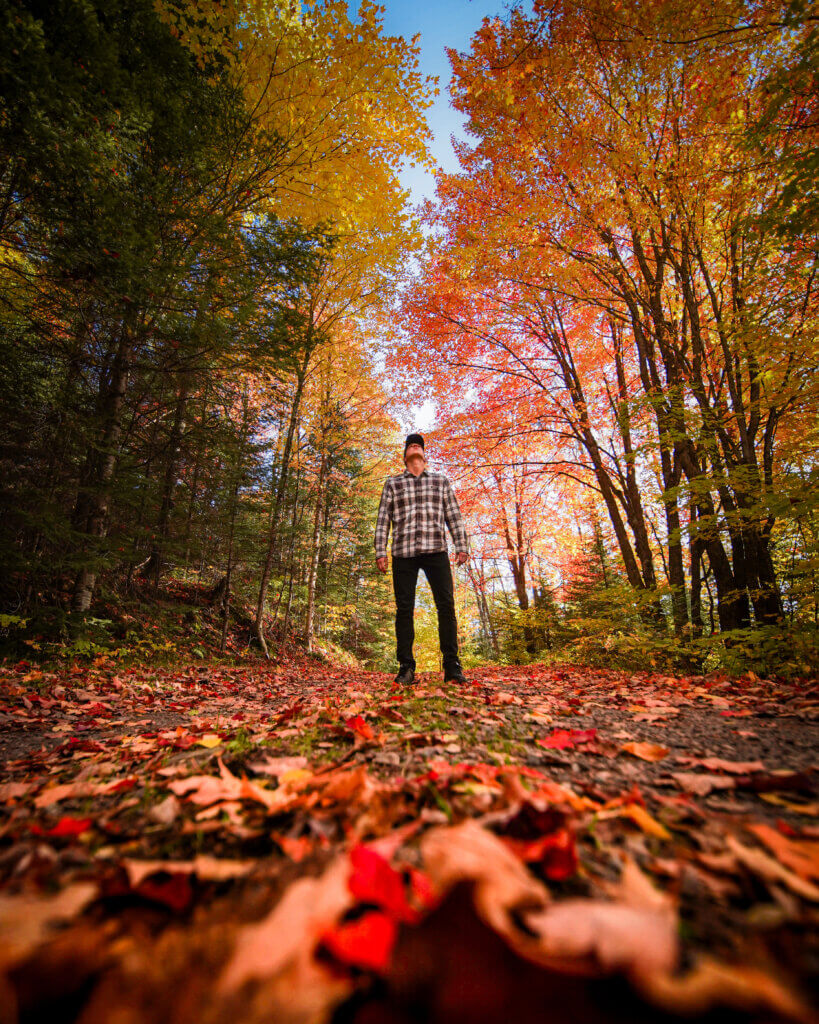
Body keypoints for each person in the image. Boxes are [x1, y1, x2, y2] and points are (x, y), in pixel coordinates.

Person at [374, 433, 469, 685]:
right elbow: (383, 518)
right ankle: (406, 667)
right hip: (403, 553)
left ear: (425, 454)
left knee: (446, 607)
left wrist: (462, 545)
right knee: (404, 610)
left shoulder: (440, 482)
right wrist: (380, 550)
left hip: (436, 550)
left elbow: (453, 515)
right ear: (405, 455)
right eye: (410, 444)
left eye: (419, 444)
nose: (415, 444)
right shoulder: (393, 484)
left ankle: (452, 666)